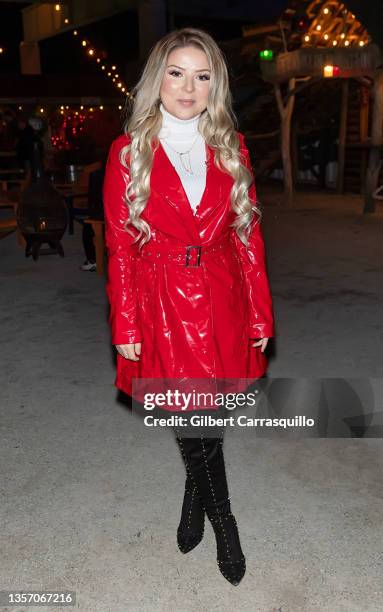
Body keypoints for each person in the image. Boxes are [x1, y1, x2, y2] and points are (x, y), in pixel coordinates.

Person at [103, 27, 275, 586]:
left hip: (223, 295)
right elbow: (120, 245)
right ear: (157, 80)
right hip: (162, 301)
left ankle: (192, 496)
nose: (188, 86)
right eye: (176, 72)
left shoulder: (233, 146)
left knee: (207, 416)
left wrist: (260, 313)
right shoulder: (128, 153)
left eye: (202, 75)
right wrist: (124, 319)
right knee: (192, 415)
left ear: (214, 86)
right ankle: (224, 522)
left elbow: (249, 237)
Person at [80, 161, 106, 271]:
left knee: (88, 228)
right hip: (130, 214)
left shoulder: (97, 175)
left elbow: (94, 201)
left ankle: (92, 260)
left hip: (106, 215)